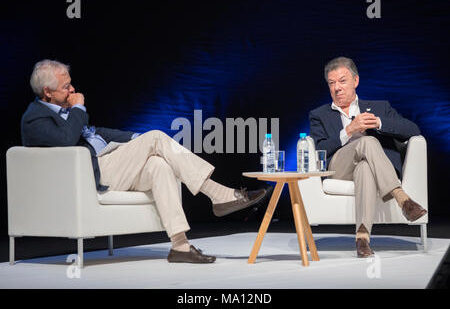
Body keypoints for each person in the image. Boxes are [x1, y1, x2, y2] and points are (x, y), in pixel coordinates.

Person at [21, 59, 267, 264]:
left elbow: (96, 133)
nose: (73, 90)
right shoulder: (35, 119)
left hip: (111, 163)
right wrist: (79, 109)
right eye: (66, 87)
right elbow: (65, 140)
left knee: (158, 165)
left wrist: (137, 138)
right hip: (92, 172)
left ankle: (180, 247)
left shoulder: (67, 110)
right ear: (47, 92)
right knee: (158, 137)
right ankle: (217, 194)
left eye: (71, 84)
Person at [309, 56, 427, 258]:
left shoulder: (380, 107)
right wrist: (348, 130)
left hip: (372, 168)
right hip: (339, 168)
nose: (337, 88)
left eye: (342, 81)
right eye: (332, 83)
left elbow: (413, 129)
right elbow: (320, 148)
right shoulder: (319, 114)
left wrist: (379, 123)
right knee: (367, 142)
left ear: (355, 81)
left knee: (364, 167)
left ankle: (362, 239)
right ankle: (402, 198)